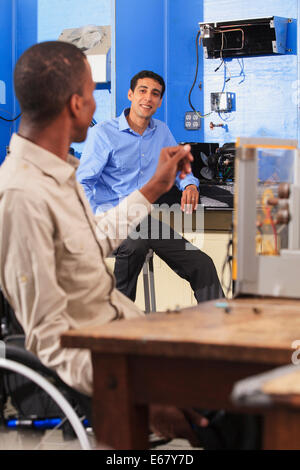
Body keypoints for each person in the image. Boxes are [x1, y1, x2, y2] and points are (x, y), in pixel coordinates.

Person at [0, 41, 209, 445]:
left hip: (127, 335)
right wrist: (139, 394)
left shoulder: (58, 173)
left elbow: (91, 243)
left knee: (233, 396)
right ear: (76, 104)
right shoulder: (22, 195)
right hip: (111, 367)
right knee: (229, 426)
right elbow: (47, 336)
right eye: (93, 93)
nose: (98, 105)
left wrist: (153, 189)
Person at [77, 71, 224, 304]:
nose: (148, 98)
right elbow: (82, 182)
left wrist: (189, 186)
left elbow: (180, 169)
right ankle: (116, 325)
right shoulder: (103, 133)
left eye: (155, 94)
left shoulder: (161, 131)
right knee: (135, 245)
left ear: (160, 101)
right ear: (130, 94)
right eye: (142, 91)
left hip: (144, 223)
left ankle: (219, 329)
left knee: (202, 264)